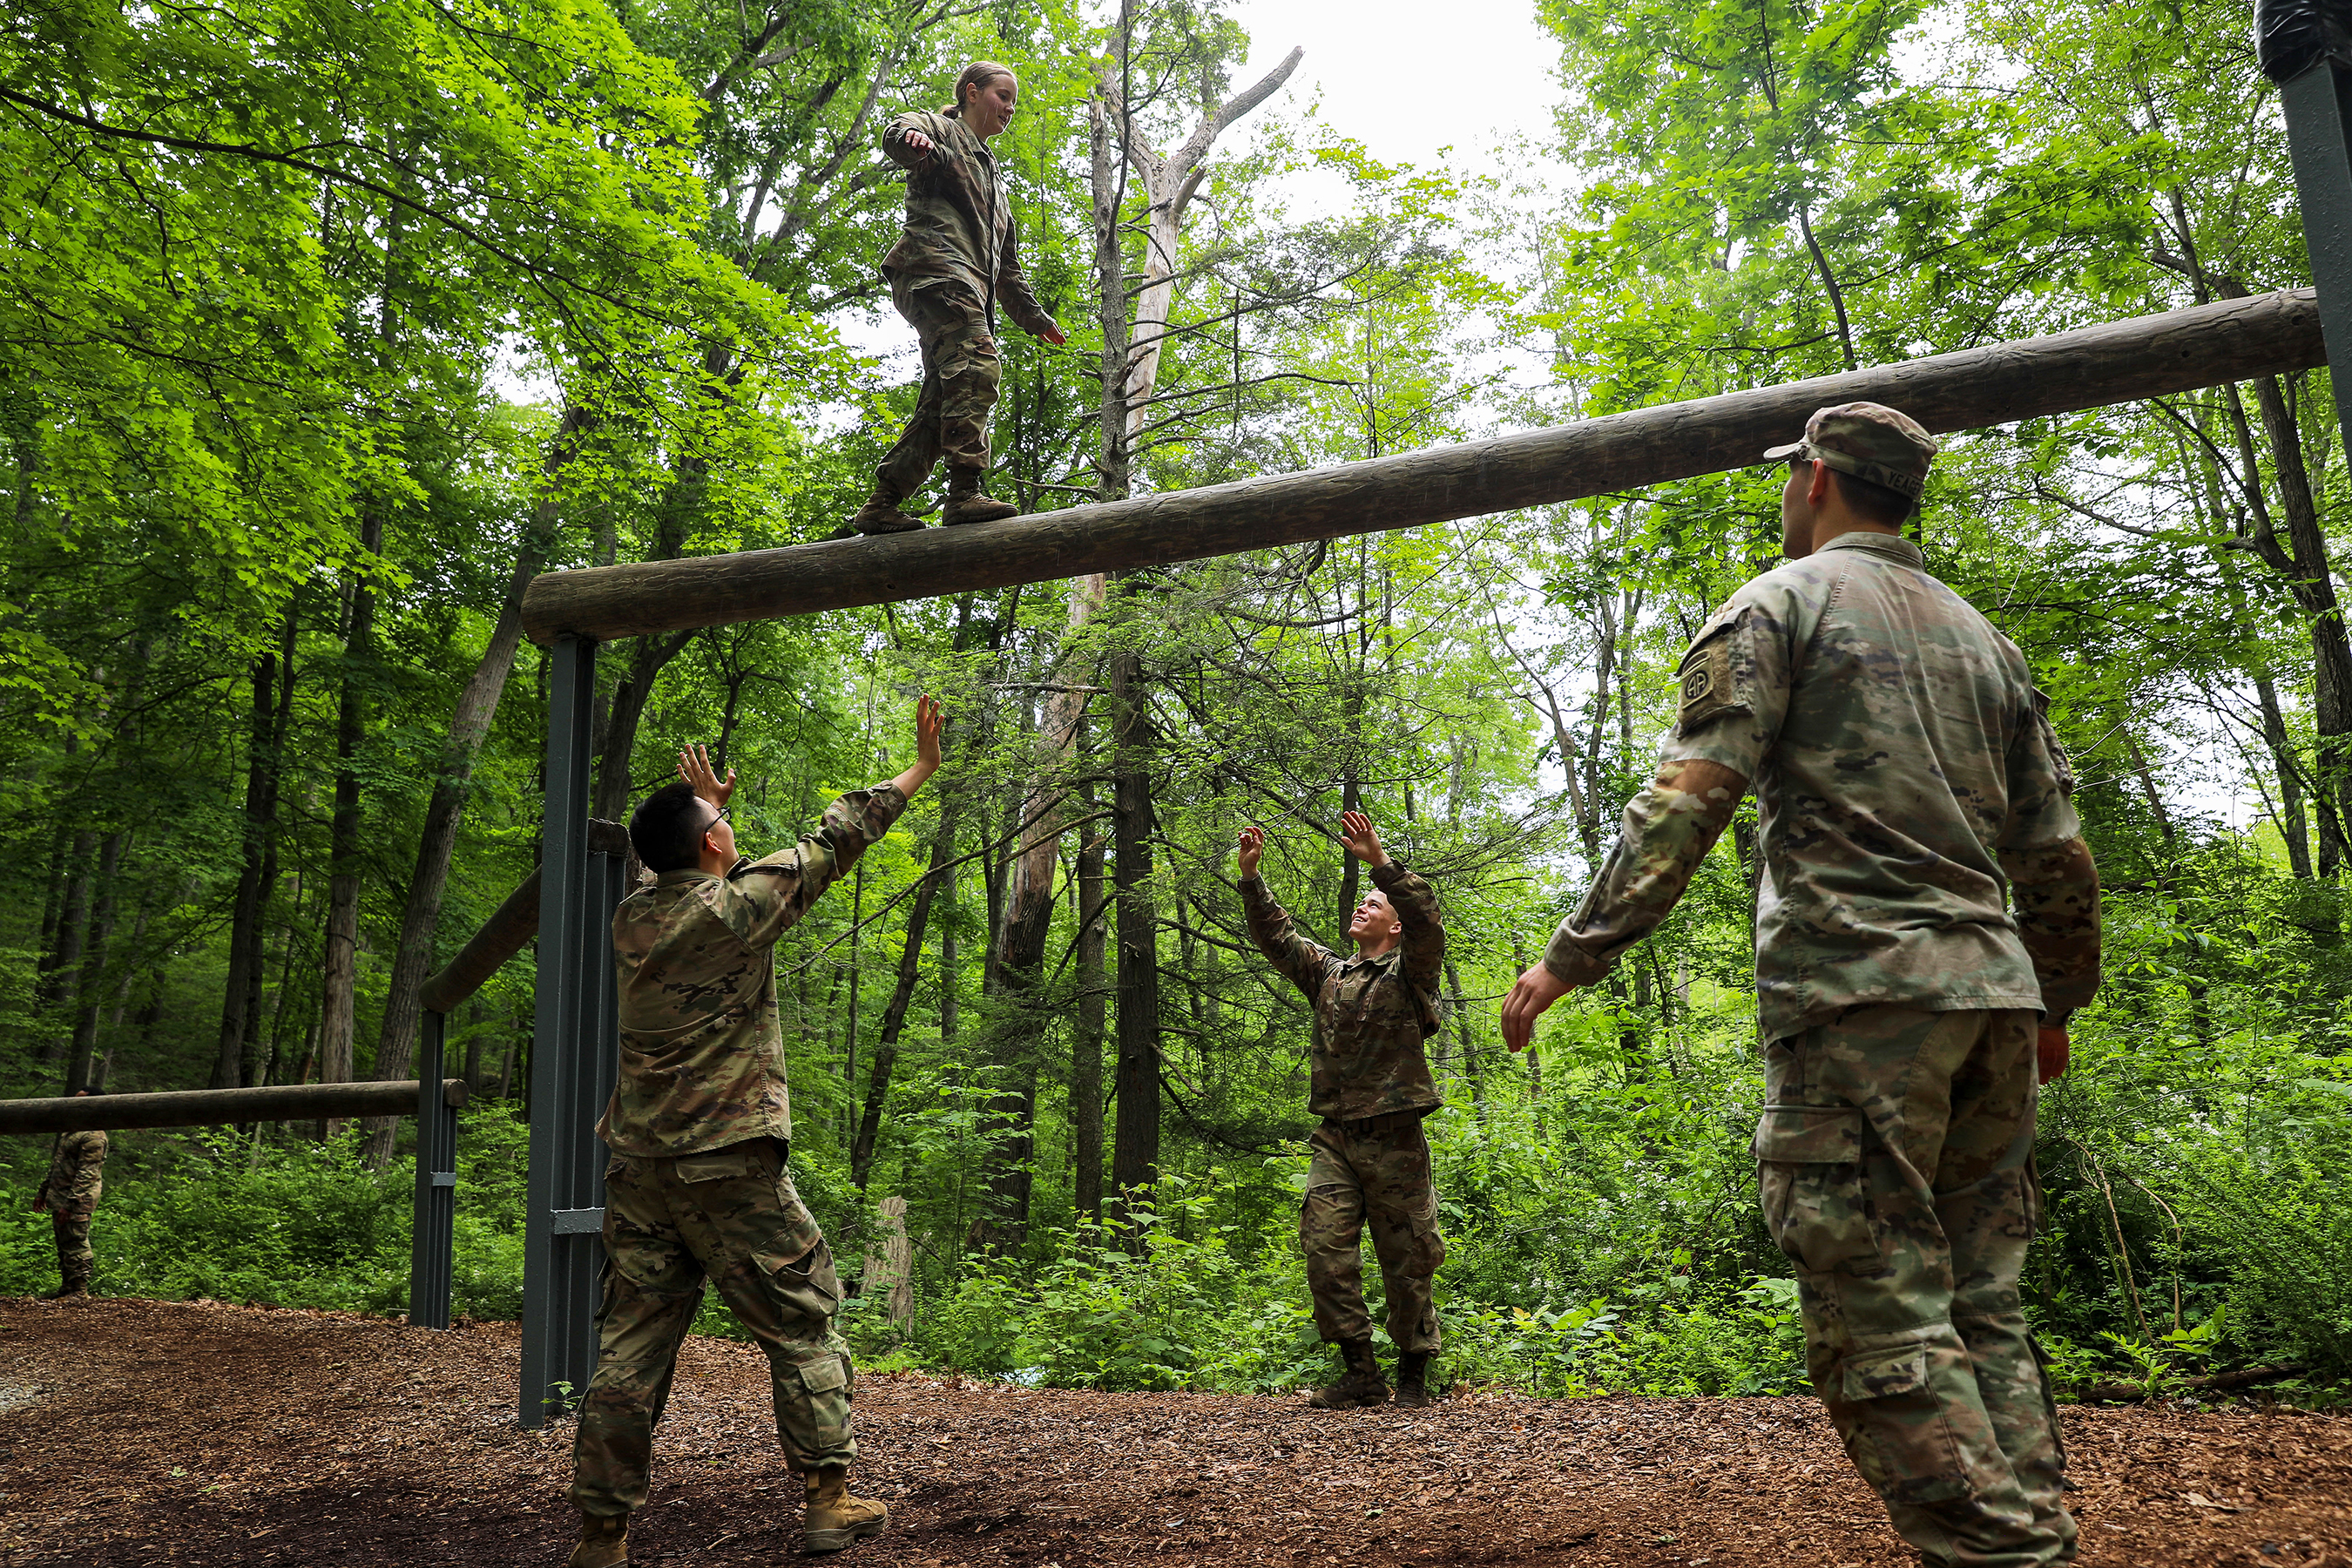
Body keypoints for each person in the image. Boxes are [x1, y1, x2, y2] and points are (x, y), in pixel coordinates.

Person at [1501, 402, 2102, 1567]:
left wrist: (1572, 956)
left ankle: (2006, 1560)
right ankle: (2037, 1543)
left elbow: (1690, 797)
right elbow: (2058, 854)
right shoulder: (1988, 642)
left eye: (1793, 480)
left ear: (1816, 479)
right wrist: (2057, 1003)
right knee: (1981, 1311)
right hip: (1993, 997)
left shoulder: (1775, 607)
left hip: (1861, 1003)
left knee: (1880, 1319)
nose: (1788, 495)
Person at [565, 696, 945, 1566]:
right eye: (722, 822)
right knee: (804, 1320)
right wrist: (919, 769)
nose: (730, 828)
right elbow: (839, 834)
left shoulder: (633, 921)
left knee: (628, 1349)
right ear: (710, 846)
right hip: (729, 1163)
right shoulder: (736, 910)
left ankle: (602, 1535)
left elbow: (658, 863)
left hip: (638, 1167)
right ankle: (827, 1501)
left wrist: (695, 805)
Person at [1238, 809, 1450, 1410]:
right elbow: (1278, 937)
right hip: (1335, 1139)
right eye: (1362, 902)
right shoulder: (1330, 974)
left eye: (1375, 905)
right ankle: (1361, 1372)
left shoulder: (1411, 972)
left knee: (1407, 1257)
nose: (1363, 907)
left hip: (1395, 1139)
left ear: (1396, 926)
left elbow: (1428, 920)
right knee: (1325, 1251)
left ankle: (1413, 1374)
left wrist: (1380, 863)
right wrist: (1252, 878)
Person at [851, 61, 1067, 537]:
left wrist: (1035, 318)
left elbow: (1006, 269)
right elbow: (900, 130)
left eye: (1014, 101)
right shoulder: (942, 133)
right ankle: (964, 493)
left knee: (944, 397)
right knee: (976, 363)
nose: (1009, 108)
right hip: (935, 269)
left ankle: (882, 504)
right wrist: (911, 140)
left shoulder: (998, 189)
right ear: (972, 93)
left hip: (965, 284)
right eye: (1002, 96)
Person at [33, 1088, 106, 1299]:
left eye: (78, 1102)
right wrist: (43, 1191)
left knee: (76, 1241)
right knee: (64, 1241)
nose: (72, 1106)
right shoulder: (73, 1132)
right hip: (60, 1196)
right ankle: (67, 1287)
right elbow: (59, 1165)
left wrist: (71, 1203)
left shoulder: (93, 1135)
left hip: (77, 1199)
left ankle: (79, 1291)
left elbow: (87, 1173)